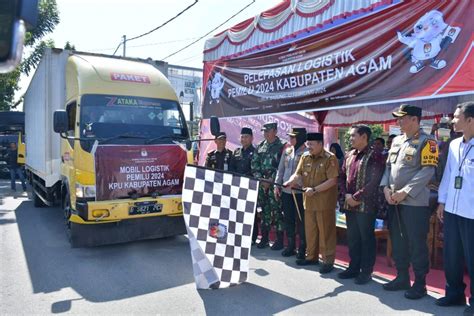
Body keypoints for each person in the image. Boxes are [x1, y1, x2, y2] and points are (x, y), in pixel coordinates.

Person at [380, 104, 438, 299]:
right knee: (398, 240)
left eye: (402, 118)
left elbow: (428, 171)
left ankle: (420, 284)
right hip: (394, 200)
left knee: (416, 243)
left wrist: (404, 192)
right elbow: (388, 167)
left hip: (414, 203)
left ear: (415, 119)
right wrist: (386, 188)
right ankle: (402, 277)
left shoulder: (428, 141)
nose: (399, 122)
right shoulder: (396, 141)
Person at [435, 101, 474, 316]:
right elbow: (449, 175)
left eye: (456, 117)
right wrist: (442, 201)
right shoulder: (454, 144)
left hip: (472, 212)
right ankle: (454, 293)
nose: (452, 120)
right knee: (452, 254)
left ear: (470, 120)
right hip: (453, 209)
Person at [284, 132, 339, 274]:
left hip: (324, 203)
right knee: (310, 231)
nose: (309, 147)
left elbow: (333, 180)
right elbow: (298, 174)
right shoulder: (305, 156)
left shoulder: (330, 158)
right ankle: (311, 257)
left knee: (326, 232)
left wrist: (314, 190)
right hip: (308, 201)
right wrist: (290, 181)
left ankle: (327, 261)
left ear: (320, 144)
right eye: (308, 144)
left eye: (312, 144)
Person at [338, 125, 385, 284]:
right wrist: (346, 195)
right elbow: (342, 176)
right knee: (353, 238)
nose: (350, 139)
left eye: (353, 136)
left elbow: (375, 181)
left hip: (366, 205)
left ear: (364, 137)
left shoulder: (375, 156)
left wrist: (357, 196)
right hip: (349, 203)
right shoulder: (349, 155)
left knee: (366, 239)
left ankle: (366, 272)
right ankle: (353, 267)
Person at [251, 122, 285, 249]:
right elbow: (254, 164)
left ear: (275, 131)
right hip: (262, 185)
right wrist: (261, 179)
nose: (265, 133)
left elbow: (283, 167)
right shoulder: (260, 146)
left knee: (277, 212)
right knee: (264, 211)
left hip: (275, 185)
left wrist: (271, 180)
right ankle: (264, 238)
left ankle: (279, 240)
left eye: (268, 131)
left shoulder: (282, 146)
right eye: (264, 131)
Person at [275, 128, 307, 259]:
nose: (290, 139)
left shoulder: (307, 153)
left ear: (300, 138)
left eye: (293, 137)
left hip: (299, 192)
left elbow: (305, 173)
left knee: (301, 221)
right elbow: (280, 169)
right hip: (286, 191)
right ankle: (291, 245)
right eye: (290, 136)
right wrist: (277, 185)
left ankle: (302, 248)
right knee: (288, 219)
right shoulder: (287, 151)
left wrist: (297, 182)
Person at [230, 127, 258, 244]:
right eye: (242, 137)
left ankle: (252, 237)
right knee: (237, 212)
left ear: (251, 138)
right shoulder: (236, 152)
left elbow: (256, 169)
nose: (243, 139)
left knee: (251, 214)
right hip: (237, 186)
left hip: (250, 186)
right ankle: (239, 235)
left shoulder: (256, 152)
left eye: (246, 137)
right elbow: (231, 168)